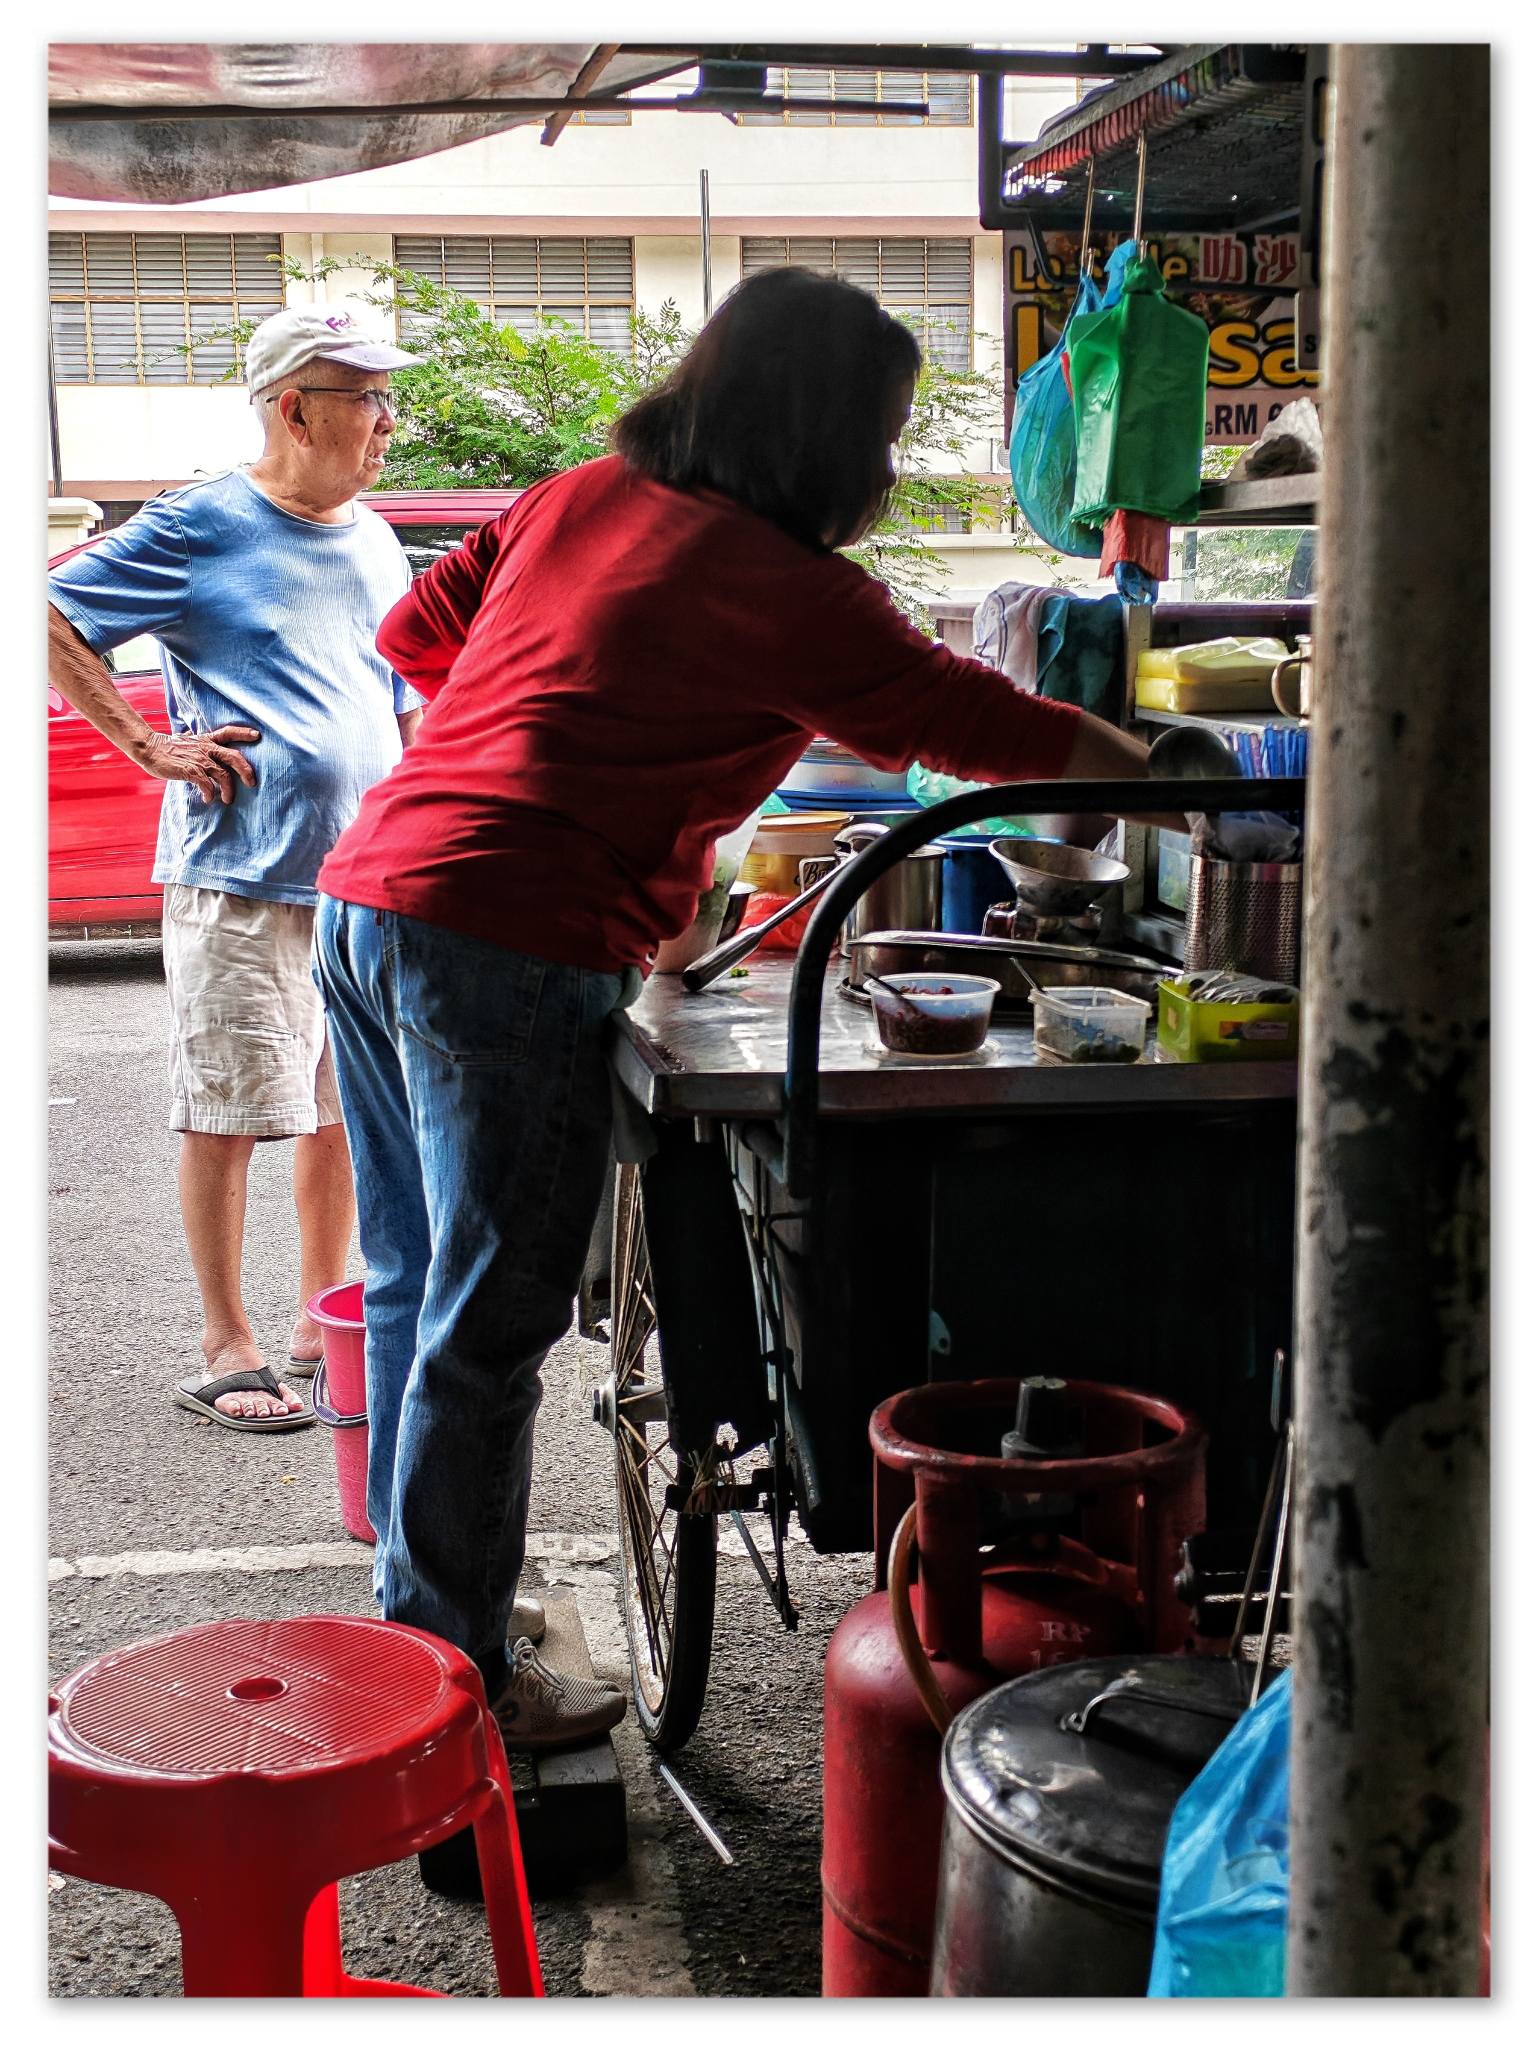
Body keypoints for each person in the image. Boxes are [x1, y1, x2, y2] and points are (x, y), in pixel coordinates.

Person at [310, 267, 1156, 1748]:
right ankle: (458, 1686)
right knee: (485, 1328)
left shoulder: (574, 497)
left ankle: (426, 1617)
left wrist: (580, 725)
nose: (890, 466)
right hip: (507, 937)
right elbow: (990, 732)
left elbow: (416, 644)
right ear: (821, 435)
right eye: (885, 432)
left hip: (372, 898)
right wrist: (1186, 783)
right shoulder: (796, 595)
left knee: (410, 1290)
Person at [47, 305, 426, 1436]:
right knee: (225, 1112)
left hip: (356, 884)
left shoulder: (370, 532)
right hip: (242, 878)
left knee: (341, 1113)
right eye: (365, 397)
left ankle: (320, 1319)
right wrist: (147, 742)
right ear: (296, 406)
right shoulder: (204, 520)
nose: (387, 422)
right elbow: (49, 610)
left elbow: (392, 693)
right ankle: (226, 1343)